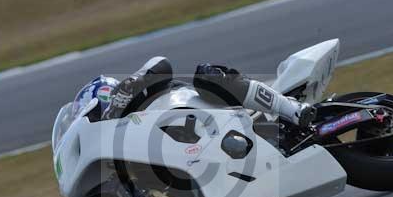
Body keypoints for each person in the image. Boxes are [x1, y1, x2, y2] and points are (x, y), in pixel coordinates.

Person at [75, 56, 316, 127]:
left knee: (206, 76)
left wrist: (114, 108)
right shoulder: (127, 135)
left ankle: (292, 110)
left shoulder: (138, 90)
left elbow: (161, 63)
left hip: (218, 113)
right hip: (198, 145)